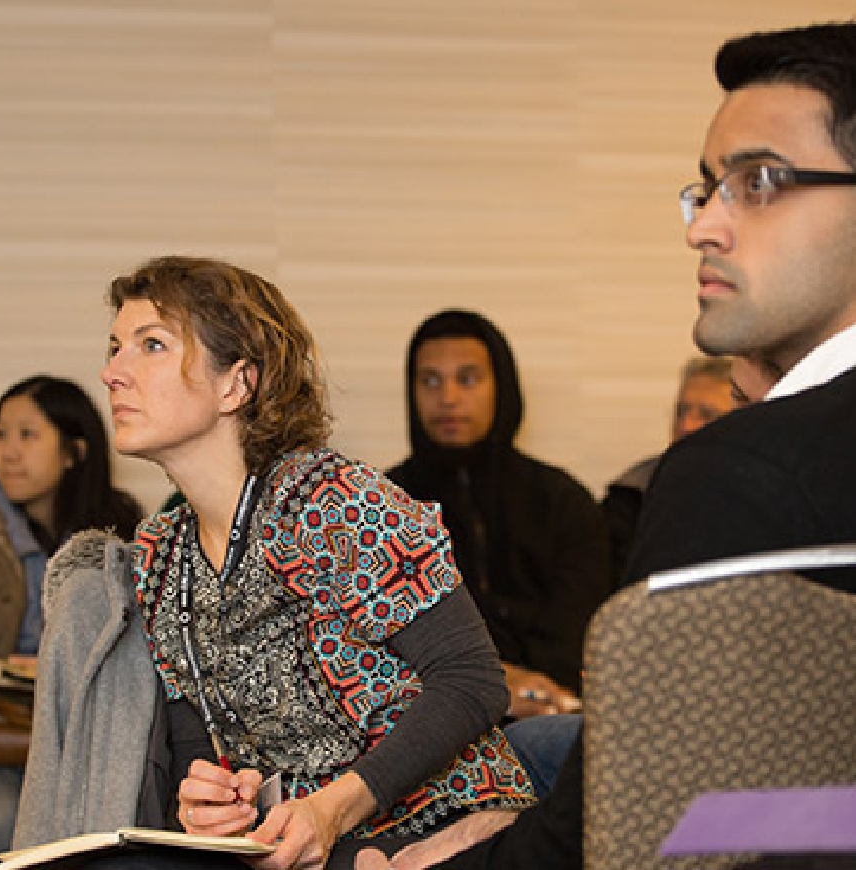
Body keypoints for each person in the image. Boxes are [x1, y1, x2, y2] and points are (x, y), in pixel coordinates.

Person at [354, 18, 856, 870]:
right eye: (706, 189)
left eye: (761, 181)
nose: (703, 227)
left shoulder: (739, 474)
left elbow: (653, 835)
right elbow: (811, 809)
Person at [47, 256, 537, 870]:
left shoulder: (332, 502)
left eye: (151, 345)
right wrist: (205, 800)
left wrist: (332, 809)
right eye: (115, 347)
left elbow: (474, 681)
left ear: (237, 384)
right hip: (298, 847)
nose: (113, 372)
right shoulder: (159, 553)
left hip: (443, 826)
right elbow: (194, 736)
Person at [388, 310, 611, 721]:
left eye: (467, 378)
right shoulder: (385, 507)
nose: (449, 397)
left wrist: (529, 691)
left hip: (553, 711)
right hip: (433, 718)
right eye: (430, 380)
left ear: (501, 386)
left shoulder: (562, 502)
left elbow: (582, 630)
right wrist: (492, 686)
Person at [0, 375, 143, 866]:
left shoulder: (119, 528)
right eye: (0, 434)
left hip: (81, 730)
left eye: (27, 435)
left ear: (74, 451)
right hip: (1, 729)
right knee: (1, 819)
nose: (8, 452)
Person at [601, 355, 734, 584]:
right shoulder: (632, 495)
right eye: (681, 411)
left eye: (707, 414)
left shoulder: (760, 498)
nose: (686, 425)